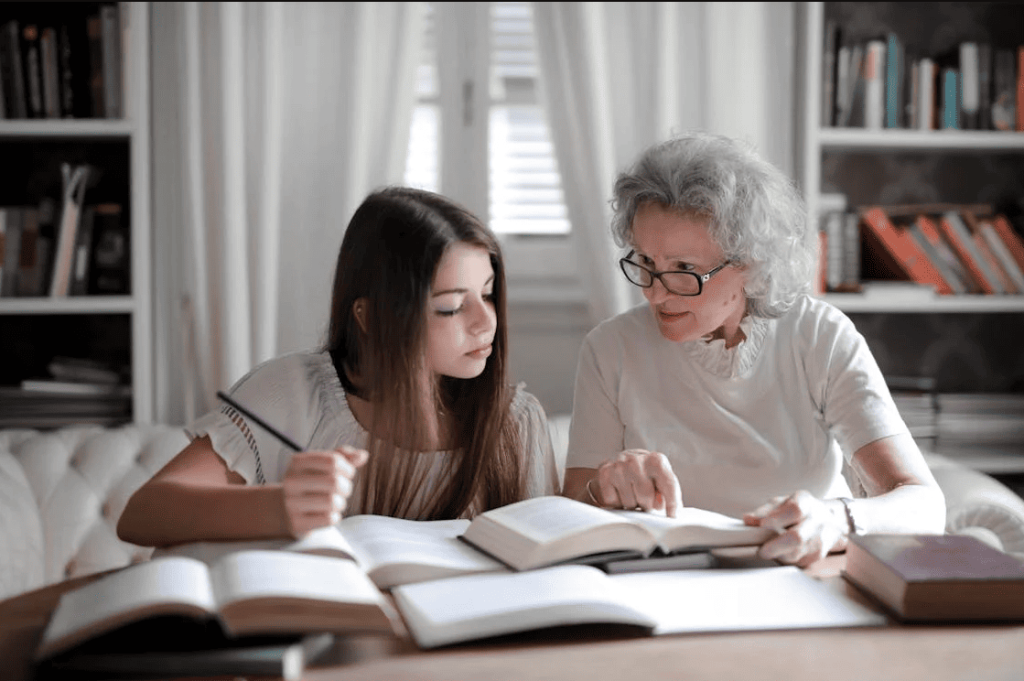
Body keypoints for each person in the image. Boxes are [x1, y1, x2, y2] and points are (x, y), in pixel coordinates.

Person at [563, 132, 945, 567]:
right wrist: (603, 488)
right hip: (666, 581)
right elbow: (570, 507)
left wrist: (835, 520)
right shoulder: (609, 348)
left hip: (805, 575)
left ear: (751, 263)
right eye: (647, 263)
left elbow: (924, 504)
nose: (654, 294)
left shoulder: (818, 337)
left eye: (684, 270)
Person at [118, 186, 559, 547]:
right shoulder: (293, 394)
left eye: (487, 293)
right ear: (371, 317)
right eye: (450, 306)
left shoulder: (516, 422)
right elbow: (144, 514)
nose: (486, 322)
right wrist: (278, 507)